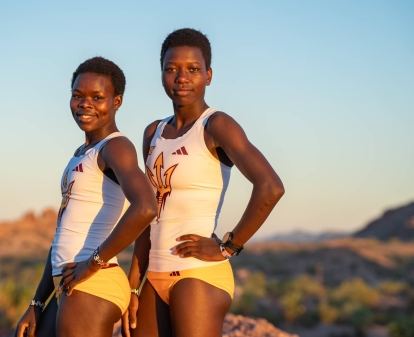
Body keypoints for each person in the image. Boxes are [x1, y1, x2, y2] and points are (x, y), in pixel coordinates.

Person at [122, 28, 285, 337]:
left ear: (208, 75)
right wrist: (132, 285)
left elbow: (271, 186)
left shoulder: (216, 125)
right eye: (172, 69)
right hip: (153, 276)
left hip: (197, 275)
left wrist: (229, 246)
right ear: (161, 74)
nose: (182, 77)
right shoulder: (152, 133)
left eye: (193, 69)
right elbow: (147, 211)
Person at [16, 56, 157, 337]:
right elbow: (62, 234)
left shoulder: (116, 147)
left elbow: (146, 207)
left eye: (97, 97)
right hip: (68, 281)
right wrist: (37, 301)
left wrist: (94, 262)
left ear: (116, 101)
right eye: (77, 96)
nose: (84, 104)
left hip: (93, 280)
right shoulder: (80, 155)